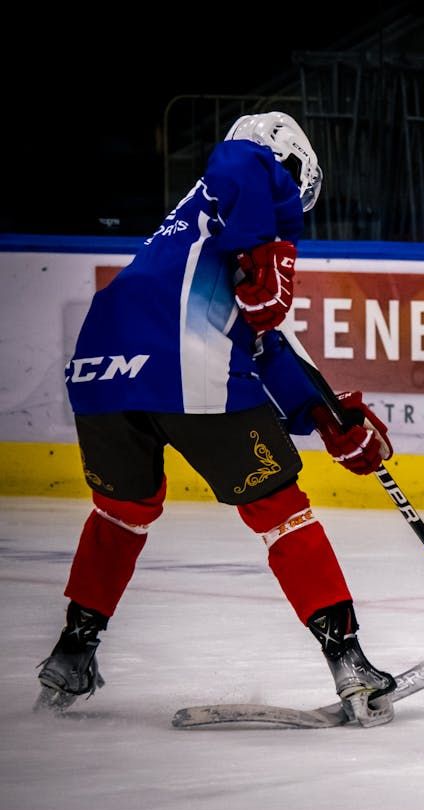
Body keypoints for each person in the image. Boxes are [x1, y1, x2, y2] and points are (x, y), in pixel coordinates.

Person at [39, 112, 398, 726]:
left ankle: (73, 652)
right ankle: (350, 663)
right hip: (183, 360)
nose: (296, 215)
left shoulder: (195, 233)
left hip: (101, 368)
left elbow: (267, 344)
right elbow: (238, 158)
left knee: (120, 513)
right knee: (281, 512)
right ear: (288, 161)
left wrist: (326, 415)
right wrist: (266, 247)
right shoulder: (245, 170)